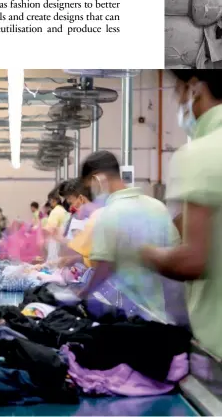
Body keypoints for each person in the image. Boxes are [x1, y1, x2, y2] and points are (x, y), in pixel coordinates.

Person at [141, 70, 222, 358]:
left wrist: (140, 252)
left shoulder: (201, 154)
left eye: (178, 93)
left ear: (195, 88)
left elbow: (191, 262)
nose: (179, 102)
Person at [79, 150, 179, 321]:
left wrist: (82, 294)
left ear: (98, 179)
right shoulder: (158, 207)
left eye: (90, 187)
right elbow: (175, 253)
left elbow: (103, 267)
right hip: (161, 314)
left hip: (129, 315)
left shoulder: (108, 214)